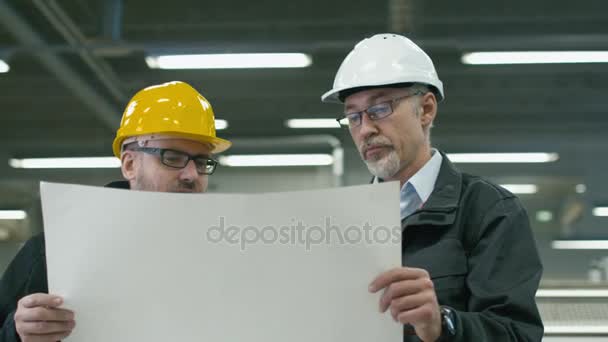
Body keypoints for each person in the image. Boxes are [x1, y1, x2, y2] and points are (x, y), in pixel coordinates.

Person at [321, 34, 543, 341]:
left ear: (425, 109)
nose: (365, 129)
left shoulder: (489, 211)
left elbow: (517, 334)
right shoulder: (337, 221)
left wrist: (443, 324)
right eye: (353, 116)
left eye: (380, 109)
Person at [0, 81, 231, 342]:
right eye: (173, 157)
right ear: (130, 164)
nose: (191, 174)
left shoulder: (228, 253)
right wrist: (16, 333)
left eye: (201, 162)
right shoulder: (52, 254)